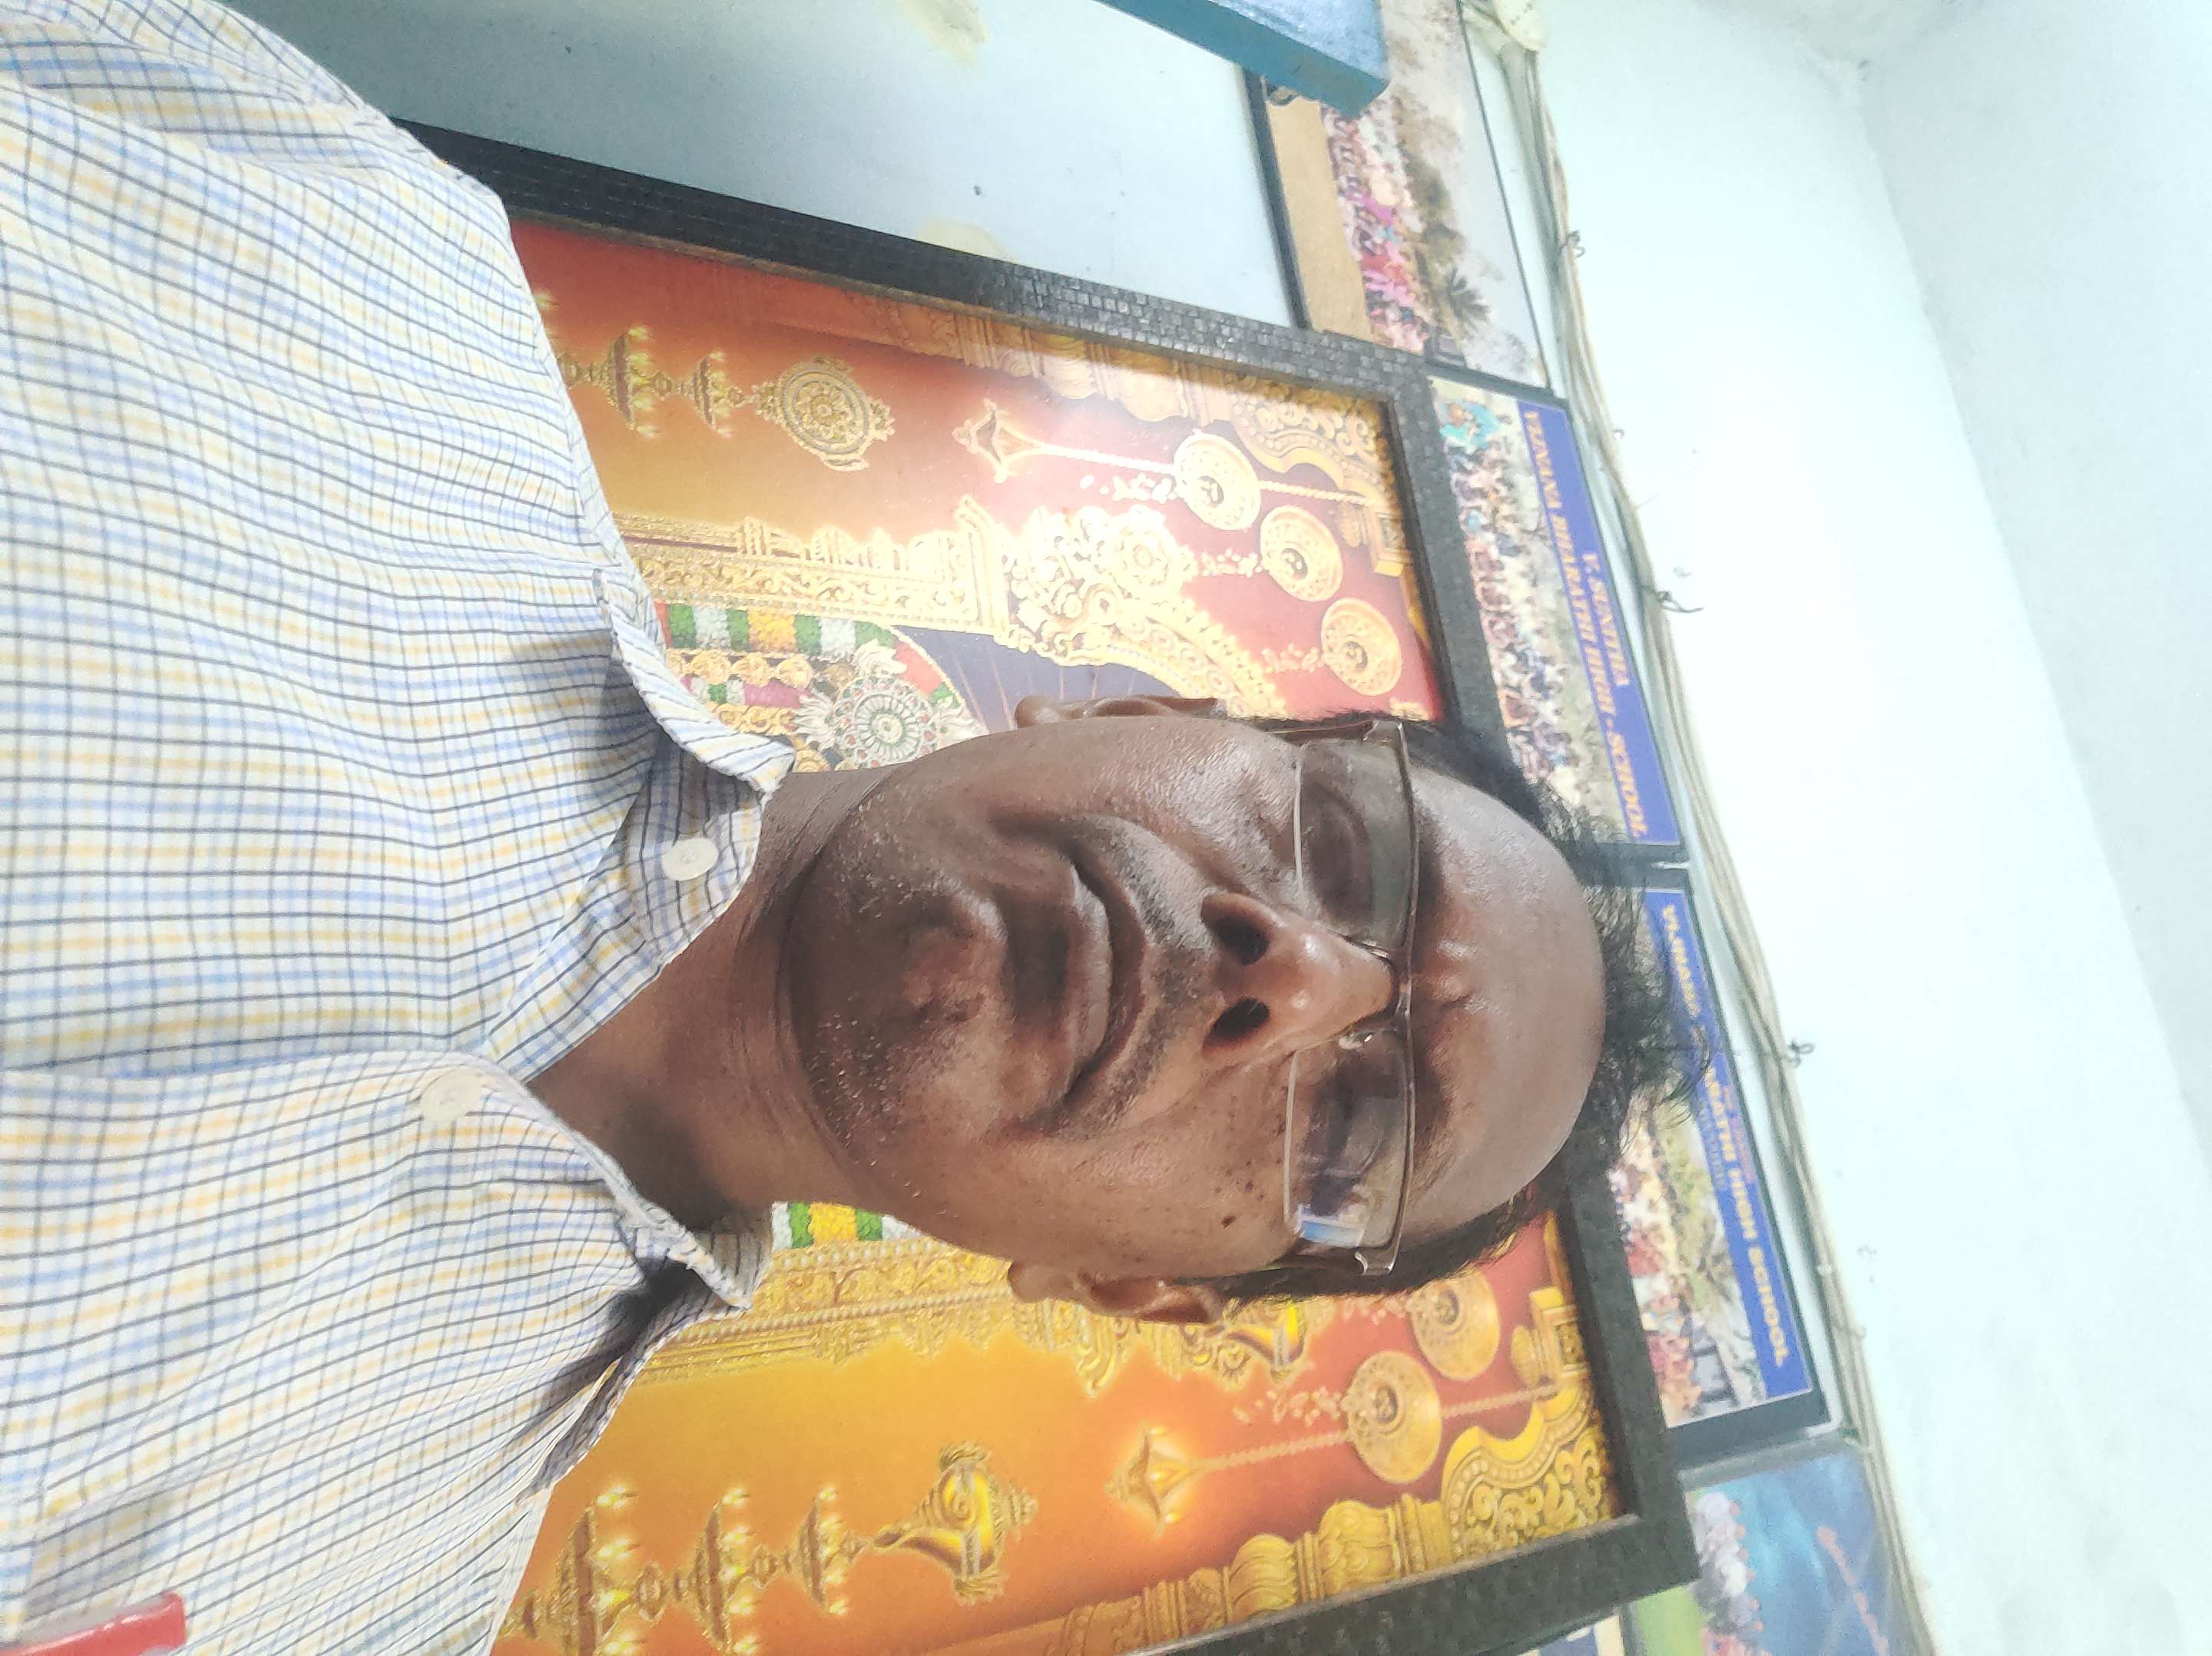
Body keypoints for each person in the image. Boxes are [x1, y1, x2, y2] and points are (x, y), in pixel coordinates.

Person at [0, 2, 1682, 1649]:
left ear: (1138, 1287)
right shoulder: (350, 277)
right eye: (1346, 847)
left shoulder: (372, 1589)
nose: (1294, 975)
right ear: (1128, 712)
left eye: (1357, 1130)